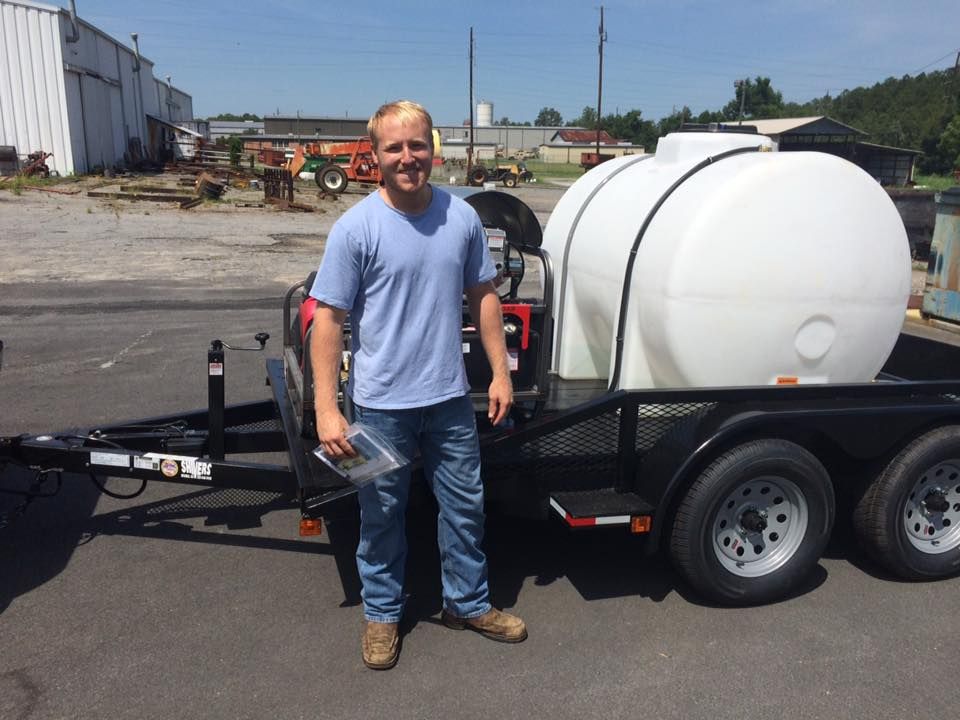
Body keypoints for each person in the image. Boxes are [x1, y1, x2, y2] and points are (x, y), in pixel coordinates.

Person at [309, 100, 527, 670]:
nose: (408, 158)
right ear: (375, 155)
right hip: (379, 406)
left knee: (465, 508)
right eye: (394, 148)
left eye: (417, 145)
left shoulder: (461, 219)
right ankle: (381, 616)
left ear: (434, 147)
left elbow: (484, 296)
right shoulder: (356, 228)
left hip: (449, 400)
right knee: (380, 516)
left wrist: (501, 372)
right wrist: (328, 411)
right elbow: (327, 320)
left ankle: (468, 603)